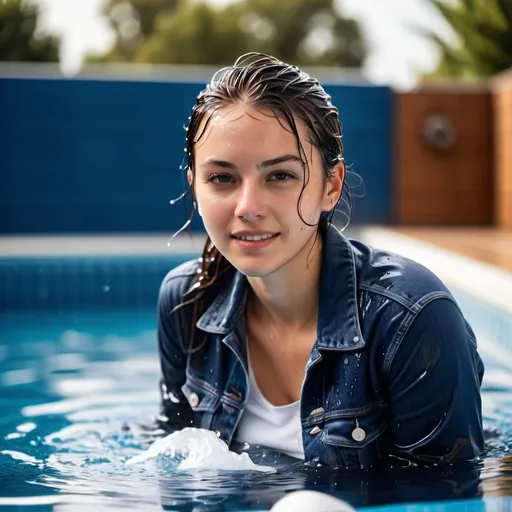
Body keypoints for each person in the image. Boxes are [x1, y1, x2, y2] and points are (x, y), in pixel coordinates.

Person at [155, 53, 484, 469]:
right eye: (222, 178)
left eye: (280, 176)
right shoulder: (186, 301)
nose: (248, 206)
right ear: (196, 188)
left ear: (331, 186)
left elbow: (445, 494)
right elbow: (171, 448)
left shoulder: (411, 319)